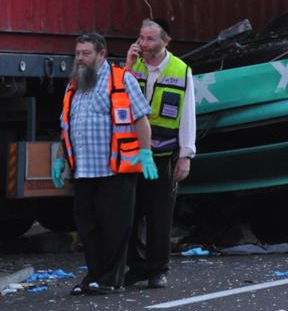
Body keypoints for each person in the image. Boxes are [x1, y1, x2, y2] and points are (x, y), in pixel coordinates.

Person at [51, 33, 158, 295]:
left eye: (86, 53)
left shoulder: (122, 79)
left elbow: (141, 119)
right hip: (84, 170)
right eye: (77, 53)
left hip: (115, 169)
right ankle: (95, 275)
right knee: (88, 228)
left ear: (101, 54)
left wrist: (146, 153)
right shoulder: (74, 85)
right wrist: (59, 158)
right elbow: (67, 125)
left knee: (114, 227)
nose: (80, 58)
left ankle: (111, 278)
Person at [123, 19, 196, 289]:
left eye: (150, 39)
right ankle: (136, 267)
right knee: (128, 214)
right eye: (141, 38)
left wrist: (186, 154)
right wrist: (128, 65)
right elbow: (115, 97)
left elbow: (188, 114)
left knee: (159, 216)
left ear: (165, 42)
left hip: (163, 155)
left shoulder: (181, 70)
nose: (143, 44)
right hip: (132, 154)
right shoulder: (133, 67)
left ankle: (157, 270)